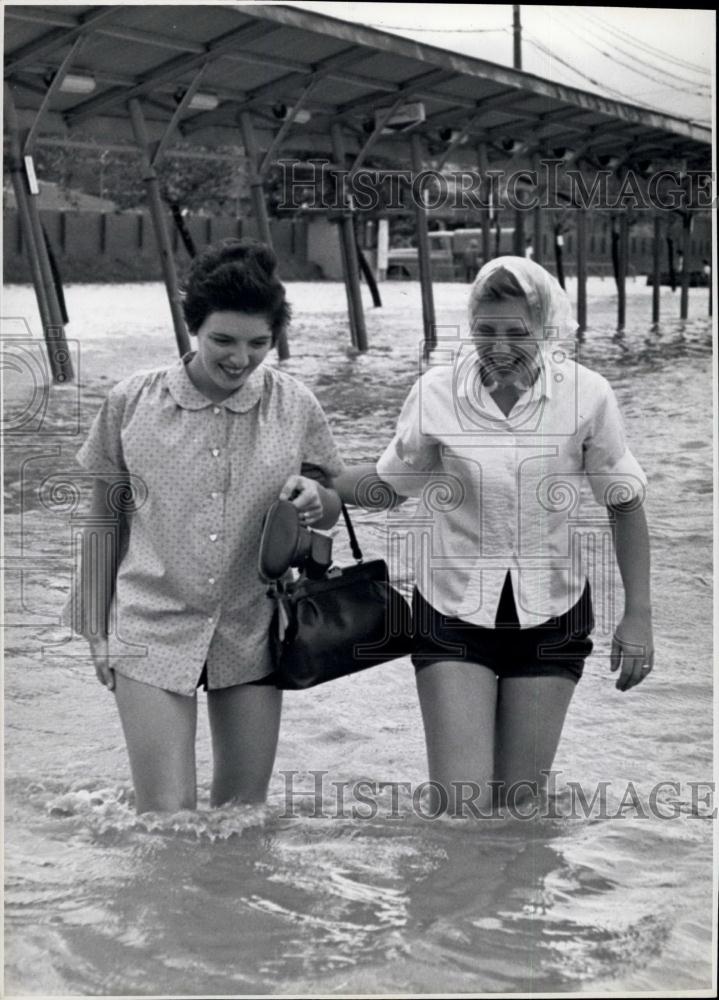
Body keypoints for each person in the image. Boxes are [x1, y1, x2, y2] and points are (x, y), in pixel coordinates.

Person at [333, 256, 653, 815]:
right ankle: (456, 900)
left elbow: (625, 505)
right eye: (485, 331)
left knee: (517, 811)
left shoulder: (587, 395)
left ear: (546, 329)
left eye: (517, 333)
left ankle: (509, 900)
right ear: (470, 326)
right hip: (451, 612)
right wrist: (317, 483)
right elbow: (392, 485)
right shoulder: (436, 392)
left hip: (552, 616)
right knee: (461, 809)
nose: (499, 346)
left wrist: (639, 615)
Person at [65, 239, 343, 813]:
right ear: (193, 328)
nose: (240, 358)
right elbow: (102, 521)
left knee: (244, 819)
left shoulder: (295, 405)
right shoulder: (131, 402)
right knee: (166, 821)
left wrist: (317, 498)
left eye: (259, 343)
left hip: (254, 628)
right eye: (223, 340)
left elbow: (331, 506)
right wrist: (96, 628)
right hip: (151, 623)